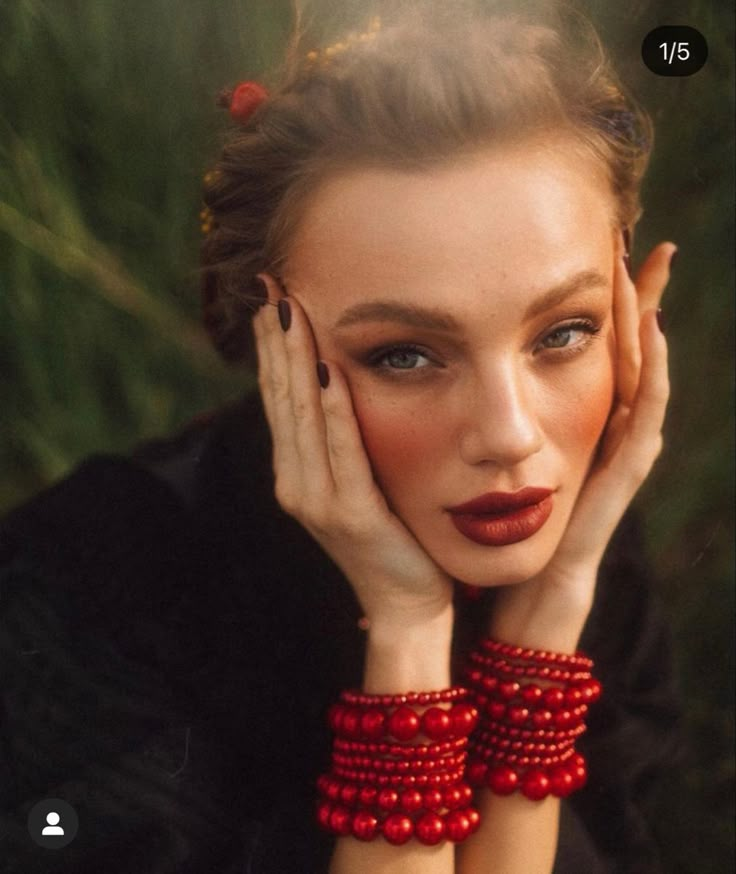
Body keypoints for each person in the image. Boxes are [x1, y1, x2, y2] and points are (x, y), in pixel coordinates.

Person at [0, 2, 683, 872]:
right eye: (404, 354)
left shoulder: (578, 535)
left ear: (634, 310)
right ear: (271, 345)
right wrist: (405, 631)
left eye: (563, 333)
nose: (511, 436)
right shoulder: (81, 597)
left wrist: (546, 632)